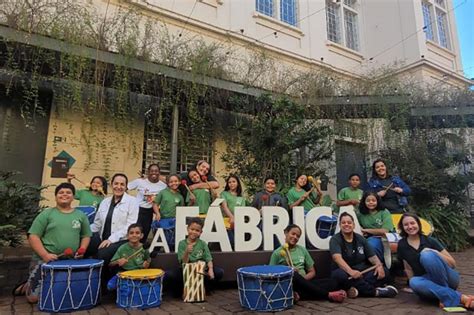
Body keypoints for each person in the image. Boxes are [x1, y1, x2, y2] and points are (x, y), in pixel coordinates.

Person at [19, 182, 92, 303]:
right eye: (61, 192)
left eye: (68, 192)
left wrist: (82, 249)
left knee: (64, 294)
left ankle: (35, 284)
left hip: (69, 260)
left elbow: (86, 235)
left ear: (73, 196)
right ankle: (27, 285)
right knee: (33, 299)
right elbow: (33, 236)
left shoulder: (81, 216)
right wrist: (45, 255)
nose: (64, 194)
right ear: (55, 196)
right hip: (45, 259)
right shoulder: (46, 214)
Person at [397, 213, 474, 309]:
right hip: (427, 281)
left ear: (418, 224)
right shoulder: (402, 245)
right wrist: (414, 287)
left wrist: (435, 252)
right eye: (406, 224)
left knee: (426, 255)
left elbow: (452, 263)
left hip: (448, 278)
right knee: (413, 282)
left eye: (412, 223)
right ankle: (461, 298)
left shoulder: (430, 241)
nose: (410, 226)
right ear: (402, 227)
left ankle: (446, 295)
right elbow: (407, 267)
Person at [269, 224, 346, 303]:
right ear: (286, 233)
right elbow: (271, 275)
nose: (295, 237)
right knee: (294, 275)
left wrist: (302, 280)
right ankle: (328, 295)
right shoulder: (277, 253)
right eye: (293, 234)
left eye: (298, 236)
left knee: (333, 282)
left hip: (305, 283)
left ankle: (296, 295)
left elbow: (312, 272)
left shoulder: (302, 250)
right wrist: (287, 271)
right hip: (289, 284)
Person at [87, 173, 139, 285]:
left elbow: (130, 226)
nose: (119, 187)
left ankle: (102, 286)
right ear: (111, 185)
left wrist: (111, 239)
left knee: (102, 253)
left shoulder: (132, 201)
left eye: (122, 184)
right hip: (103, 239)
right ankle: (86, 282)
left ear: (126, 187)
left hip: (122, 240)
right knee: (86, 245)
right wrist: (83, 233)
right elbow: (97, 224)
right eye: (116, 184)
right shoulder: (105, 202)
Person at [330, 212, 397, 298]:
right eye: (343, 223)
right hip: (344, 271)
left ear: (354, 225)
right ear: (340, 225)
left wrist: (378, 265)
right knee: (340, 276)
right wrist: (351, 272)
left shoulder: (360, 238)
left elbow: (372, 256)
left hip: (361, 271)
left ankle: (355, 290)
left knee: (384, 272)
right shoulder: (335, 239)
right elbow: (337, 258)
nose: (346, 224)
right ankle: (376, 292)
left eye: (349, 222)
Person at [165, 217, 224, 297]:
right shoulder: (182, 243)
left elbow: (208, 258)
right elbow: (184, 263)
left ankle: (204, 289)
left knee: (219, 272)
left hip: (201, 271)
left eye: (197, 231)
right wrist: (186, 252)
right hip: (187, 270)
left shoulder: (202, 244)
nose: (194, 232)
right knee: (169, 274)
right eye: (192, 229)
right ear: (187, 229)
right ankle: (182, 291)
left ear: (201, 232)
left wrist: (210, 269)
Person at [128, 164, 167, 243]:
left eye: (156, 171)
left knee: (145, 230)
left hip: (151, 210)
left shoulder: (163, 186)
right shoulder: (140, 181)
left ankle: (141, 248)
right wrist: (128, 201)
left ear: (159, 172)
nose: (154, 173)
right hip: (138, 209)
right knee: (136, 230)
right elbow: (126, 187)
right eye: (151, 171)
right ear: (148, 172)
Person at [107, 224, 151, 290]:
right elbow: (110, 264)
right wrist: (118, 261)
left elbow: (148, 259)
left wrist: (147, 264)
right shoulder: (122, 248)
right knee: (110, 286)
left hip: (140, 272)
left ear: (141, 235)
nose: (134, 235)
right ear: (127, 236)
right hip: (125, 273)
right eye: (131, 233)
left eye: (137, 233)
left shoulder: (144, 248)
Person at [357, 191, 395, 263]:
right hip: (369, 237)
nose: (371, 202)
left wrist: (366, 230)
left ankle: (379, 265)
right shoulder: (360, 214)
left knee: (371, 246)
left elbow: (385, 231)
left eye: (373, 200)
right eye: (368, 201)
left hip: (385, 238)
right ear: (364, 202)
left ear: (378, 201)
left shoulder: (384, 212)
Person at [152, 174, 185, 248]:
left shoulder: (180, 196)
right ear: (168, 183)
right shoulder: (163, 192)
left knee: (171, 244)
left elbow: (181, 209)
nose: (174, 183)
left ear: (179, 182)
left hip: (174, 223)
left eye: (176, 181)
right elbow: (155, 204)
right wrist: (157, 213)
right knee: (159, 242)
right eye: (171, 182)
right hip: (162, 220)